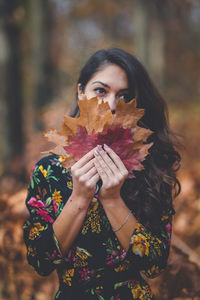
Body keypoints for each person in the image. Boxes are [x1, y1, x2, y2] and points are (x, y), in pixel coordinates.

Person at [23, 48, 181, 300]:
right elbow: (40, 261)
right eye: (100, 90)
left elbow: (154, 264)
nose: (111, 104)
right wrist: (79, 198)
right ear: (80, 92)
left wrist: (112, 199)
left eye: (125, 95)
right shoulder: (50, 171)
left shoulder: (149, 166)